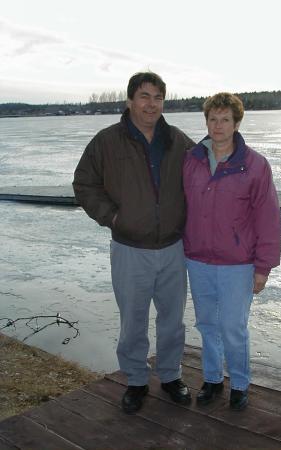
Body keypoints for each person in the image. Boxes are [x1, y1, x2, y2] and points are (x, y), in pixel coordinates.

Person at [73, 72, 195, 414]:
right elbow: (84, 184)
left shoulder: (178, 140)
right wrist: (112, 217)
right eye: (144, 96)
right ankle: (137, 381)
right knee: (133, 319)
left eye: (157, 97)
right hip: (129, 249)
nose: (151, 104)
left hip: (173, 248)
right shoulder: (107, 141)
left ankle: (171, 376)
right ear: (130, 101)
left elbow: (204, 177)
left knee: (173, 319)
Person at [183, 92, 281, 411]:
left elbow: (268, 218)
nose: (218, 125)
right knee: (207, 324)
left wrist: (263, 267)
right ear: (206, 121)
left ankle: (239, 383)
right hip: (197, 260)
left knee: (233, 327)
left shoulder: (254, 165)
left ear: (237, 122)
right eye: (212, 119)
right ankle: (212, 379)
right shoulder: (192, 160)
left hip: (237, 264)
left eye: (225, 119)